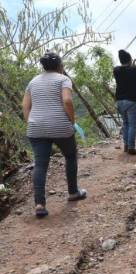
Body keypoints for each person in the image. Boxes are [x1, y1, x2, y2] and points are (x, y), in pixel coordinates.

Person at [22, 52, 86, 218]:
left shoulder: (33, 81)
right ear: (60, 66)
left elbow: (25, 106)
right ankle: (73, 192)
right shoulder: (63, 79)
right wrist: (71, 120)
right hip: (60, 126)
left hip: (35, 128)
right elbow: (67, 101)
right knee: (70, 156)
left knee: (40, 164)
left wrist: (32, 122)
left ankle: (39, 205)